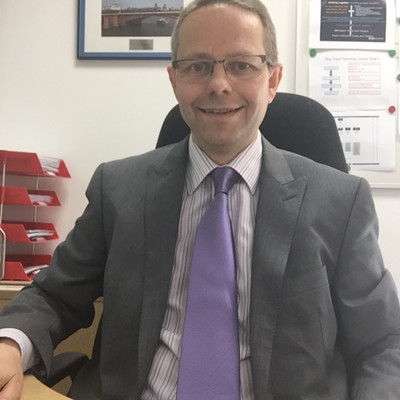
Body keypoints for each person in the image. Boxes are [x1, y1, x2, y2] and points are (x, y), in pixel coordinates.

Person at [0, 0, 400, 398]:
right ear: (174, 80)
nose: (219, 84)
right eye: (198, 66)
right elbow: (53, 295)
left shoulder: (340, 202)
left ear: (273, 79)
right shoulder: (118, 189)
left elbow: (384, 343)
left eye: (241, 64)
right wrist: (10, 345)